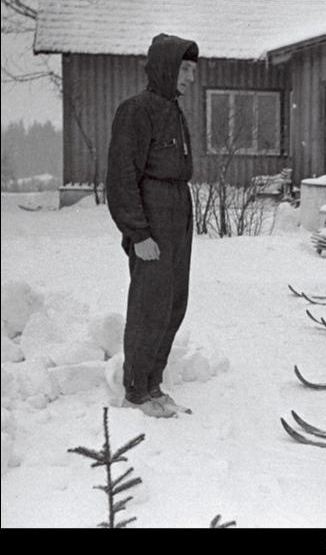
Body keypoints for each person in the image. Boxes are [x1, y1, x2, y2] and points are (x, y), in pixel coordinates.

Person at [106, 33, 198, 418]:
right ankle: (135, 391)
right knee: (149, 306)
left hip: (177, 210)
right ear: (165, 68)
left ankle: (153, 384)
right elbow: (121, 176)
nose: (190, 78)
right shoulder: (136, 110)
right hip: (153, 214)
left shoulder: (173, 110)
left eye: (193, 70)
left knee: (174, 303)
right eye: (185, 69)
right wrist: (138, 232)